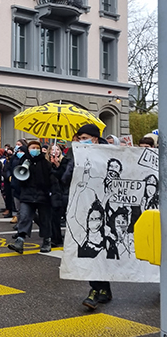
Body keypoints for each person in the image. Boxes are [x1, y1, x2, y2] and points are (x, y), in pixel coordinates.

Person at [66, 124, 114, 311]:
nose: (80, 140)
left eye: (84, 137)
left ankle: (102, 289)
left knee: (104, 251)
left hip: (109, 210)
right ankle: (97, 289)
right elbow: (66, 178)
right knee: (90, 250)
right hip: (87, 209)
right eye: (79, 137)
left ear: (95, 138)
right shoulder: (76, 152)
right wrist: (59, 165)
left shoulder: (110, 152)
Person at [7, 139, 53, 254]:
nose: (35, 150)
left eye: (37, 148)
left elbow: (52, 179)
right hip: (27, 195)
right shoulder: (24, 161)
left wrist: (55, 166)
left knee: (44, 219)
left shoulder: (46, 163)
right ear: (28, 149)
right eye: (32, 148)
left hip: (43, 196)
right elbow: (18, 179)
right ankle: (20, 240)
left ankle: (47, 240)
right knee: (24, 216)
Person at [48, 143, 69, 247]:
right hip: (53, 193)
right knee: (53, 218)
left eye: (57, 149)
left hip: (63, 193)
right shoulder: (47, 163)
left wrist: (57, 165)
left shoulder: (65, 161)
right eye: (53, 149)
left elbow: (63, 177)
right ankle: (55, 238)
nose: (55, 151)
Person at [9, 140, 28, 224]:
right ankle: (19, 222)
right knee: (17, 206)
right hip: (15, 184)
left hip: (25, 187)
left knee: (24, 207)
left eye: (21, 150)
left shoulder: (28, 160)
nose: (19, 152)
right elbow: (8, 168)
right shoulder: (14, 158)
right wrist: (9, 176)